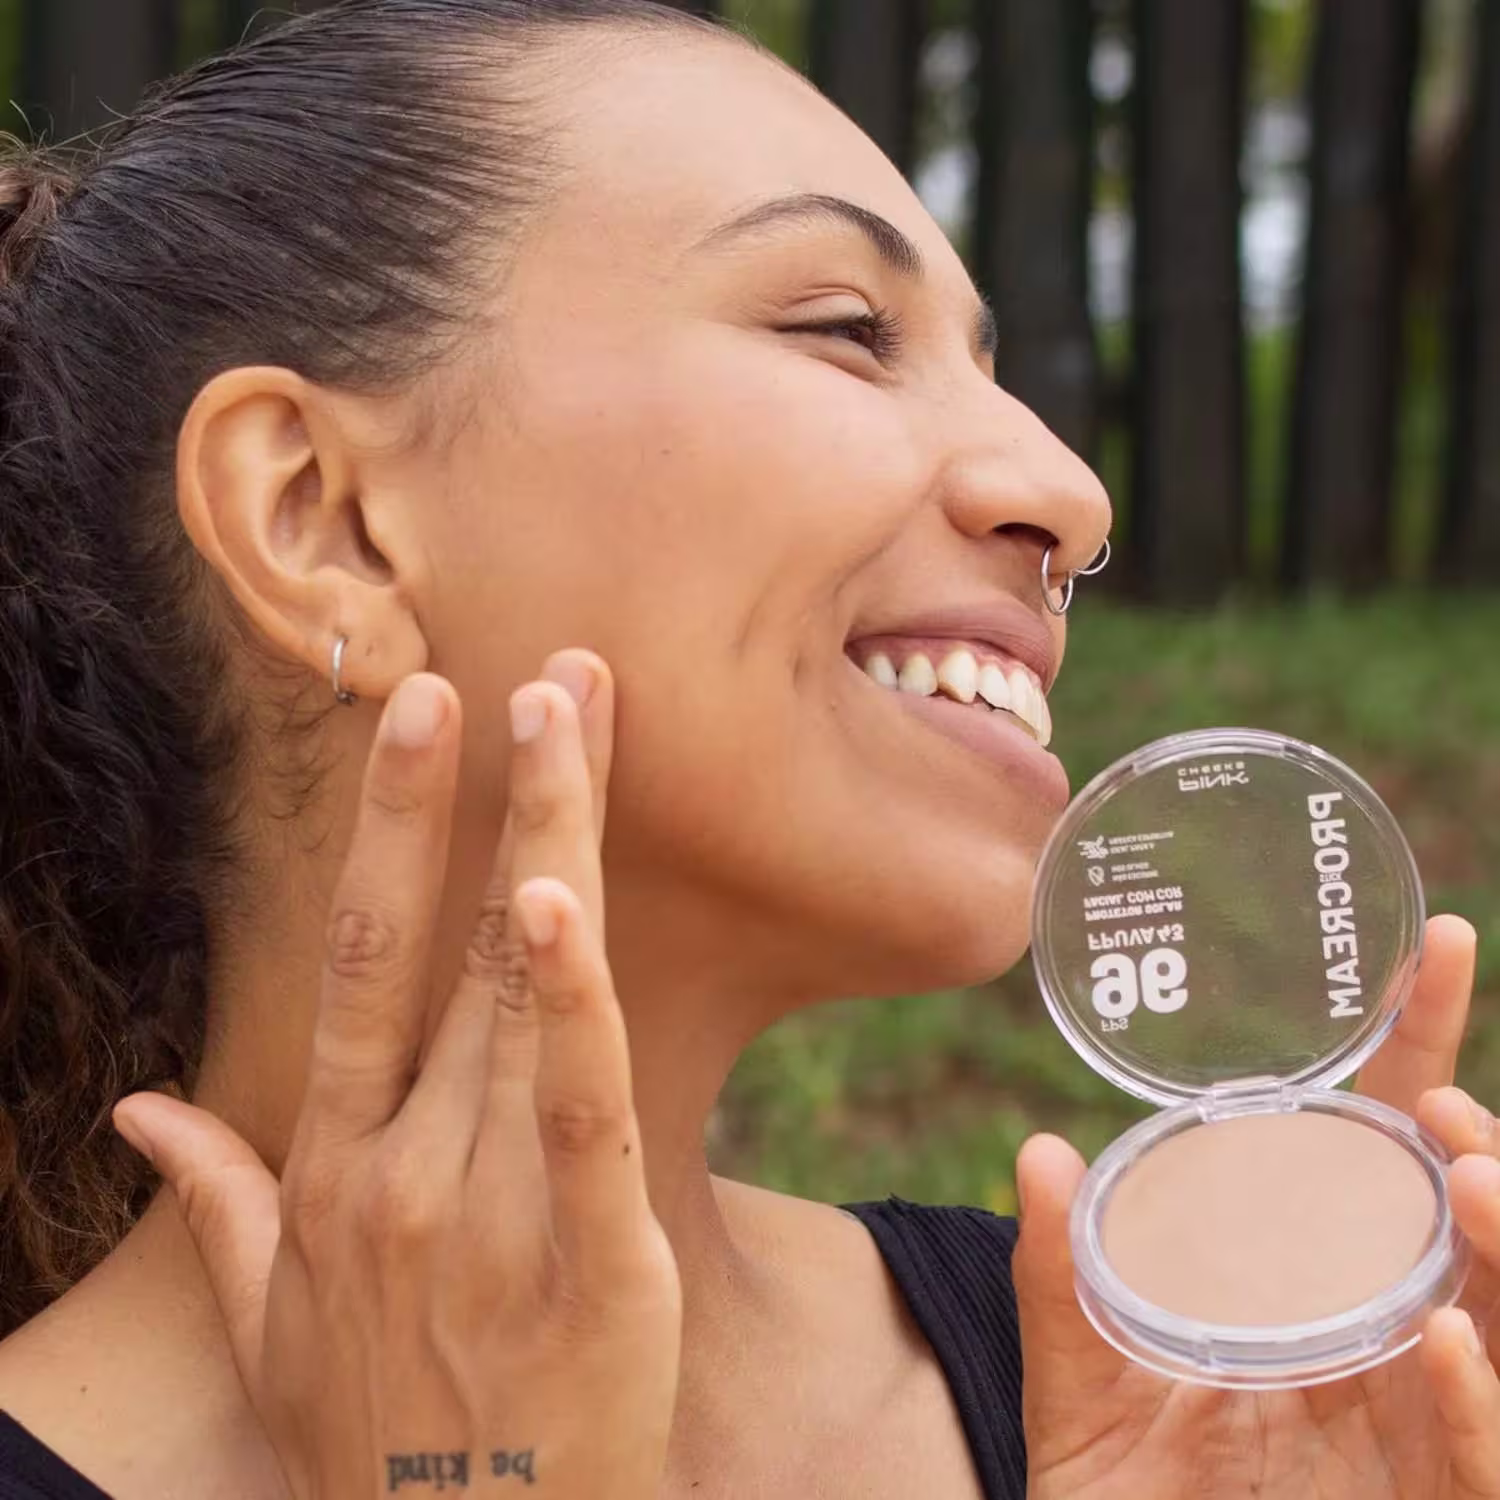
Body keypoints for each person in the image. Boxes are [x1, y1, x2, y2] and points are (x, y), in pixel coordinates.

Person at [0, 2, 1496, 1496]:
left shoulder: (1123, 1400)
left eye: (989, 367)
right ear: (322, 519)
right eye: (845, 331)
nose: (1071, 494)